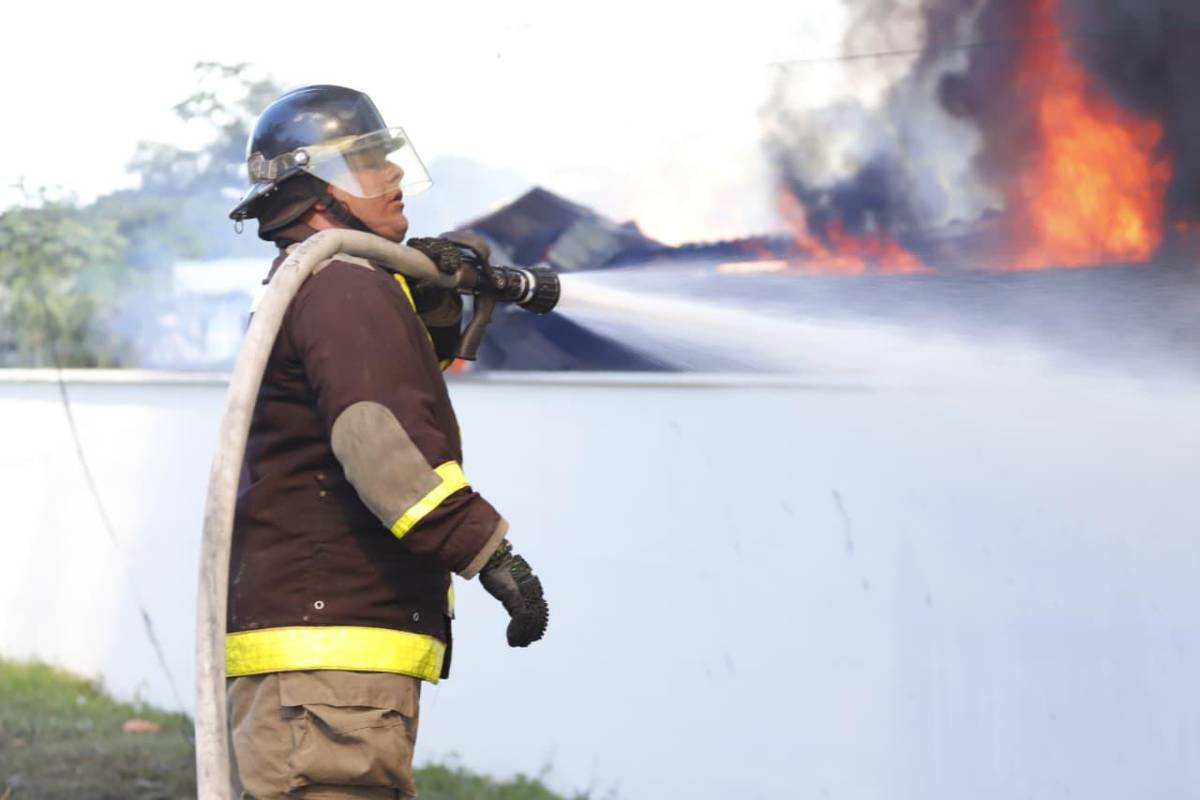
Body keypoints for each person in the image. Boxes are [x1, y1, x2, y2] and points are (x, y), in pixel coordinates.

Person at [224, 84, 548, 799]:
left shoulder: (330, 283)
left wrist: (427, 305)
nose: (394, 174)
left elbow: (381, 387)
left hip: (317, 670)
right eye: (367, 162)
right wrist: (489, 553)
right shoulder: (343, 284)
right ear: (316, 194)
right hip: (324, 669)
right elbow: (377, 439)